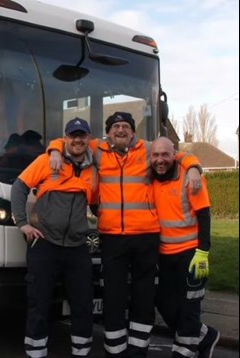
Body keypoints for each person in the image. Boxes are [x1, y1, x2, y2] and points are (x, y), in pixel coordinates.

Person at [47, 112, 202, 357]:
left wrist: (193, 167)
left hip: (146, 237)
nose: (121, 130)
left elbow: (174, 152)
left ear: (132, 131)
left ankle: (138, 351)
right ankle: (115, 351)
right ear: (108, 132)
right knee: (114, 297)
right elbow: (66, 141)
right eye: (116, 126)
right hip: (112, 238)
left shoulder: (148, 148)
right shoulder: (98, 149)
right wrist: (54, 151)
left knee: (143, 297)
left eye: (126, 126)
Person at [11, 118, 97, 357]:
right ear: (65, 138)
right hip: (45, 244)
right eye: (72, 136)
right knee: (39, 304)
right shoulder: (46, 161)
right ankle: (36, 353)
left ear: (89, 138)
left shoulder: (94, 169)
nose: (77, 140)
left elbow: (97, 204)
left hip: (78, 247)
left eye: (82, 135)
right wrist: (22, 223)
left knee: (82, 305)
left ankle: (81, 353)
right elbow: (19, 187)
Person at [150, 137, 220, 358]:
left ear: (174, 155)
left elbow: (204, 215)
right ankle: (205, 335)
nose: (160, 160)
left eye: (165, 155)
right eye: (156, 155)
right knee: (164, 304)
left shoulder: (191, 179)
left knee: (189, 307)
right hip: (164, 256)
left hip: (191, 254)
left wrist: (203, 252)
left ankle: (184, 353)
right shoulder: (150, 177)